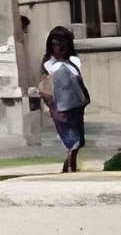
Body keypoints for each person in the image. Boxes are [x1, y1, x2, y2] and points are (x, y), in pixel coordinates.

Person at [40, 26, 93, 171]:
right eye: (56, 43)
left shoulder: (74, 62)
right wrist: (52, 106)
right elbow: (45, 89)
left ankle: (70, 163)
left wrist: (85, 98)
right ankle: (70, 165)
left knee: (79, 140)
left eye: (64, 42)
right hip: (60, 108)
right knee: (72, 139)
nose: (60, 46)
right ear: (51, 45)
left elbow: (79, 81)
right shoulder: (48, 65)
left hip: (77, 105)